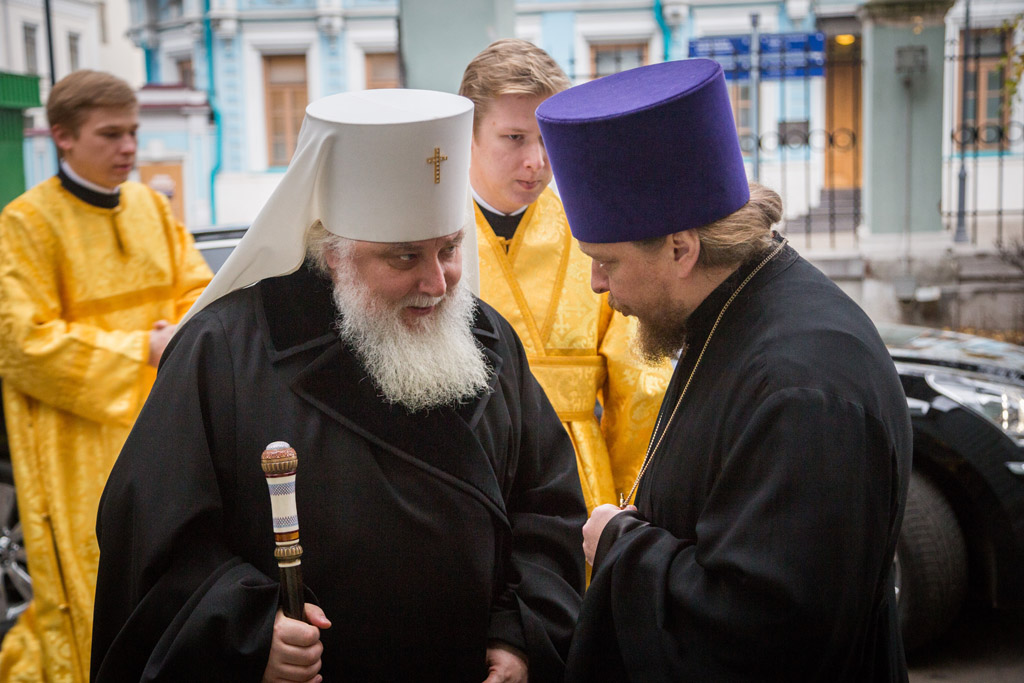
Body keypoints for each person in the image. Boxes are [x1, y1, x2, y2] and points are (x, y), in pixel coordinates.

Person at [90, 88, 586, 682]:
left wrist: (520, 632)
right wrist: (249, 631)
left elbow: (548, 507)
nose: (437, 283)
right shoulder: (224, 351)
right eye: (404, 258)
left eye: (450, 250)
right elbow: (151, 539)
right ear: (334, 253)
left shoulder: (488, 338)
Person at [535, 59, 913, 681]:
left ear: (681, 249)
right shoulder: (735, 311)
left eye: (606, 261)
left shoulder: (803, 388)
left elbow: (765, 635)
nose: (597, 284)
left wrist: (619, 545)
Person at [0, 70, 213, 681]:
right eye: (111, 134)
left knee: (177, 569)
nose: (129, 148)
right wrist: (142, 348)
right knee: (97, 582)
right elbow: (23, 342)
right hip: (78, 447)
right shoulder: (26, 223)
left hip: (166, 425)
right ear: (63, 137)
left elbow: (200, 289)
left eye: (134, 132)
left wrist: (184, 330)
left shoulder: (151, 206)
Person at [459, 39, 672, 514]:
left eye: (547, 138)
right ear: (467, 134)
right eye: (514, 138)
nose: (536, 161)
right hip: (470, 474)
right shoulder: (434, 239)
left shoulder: (599, 234)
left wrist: (631, 507)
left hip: (580, 484)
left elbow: (640, 382)